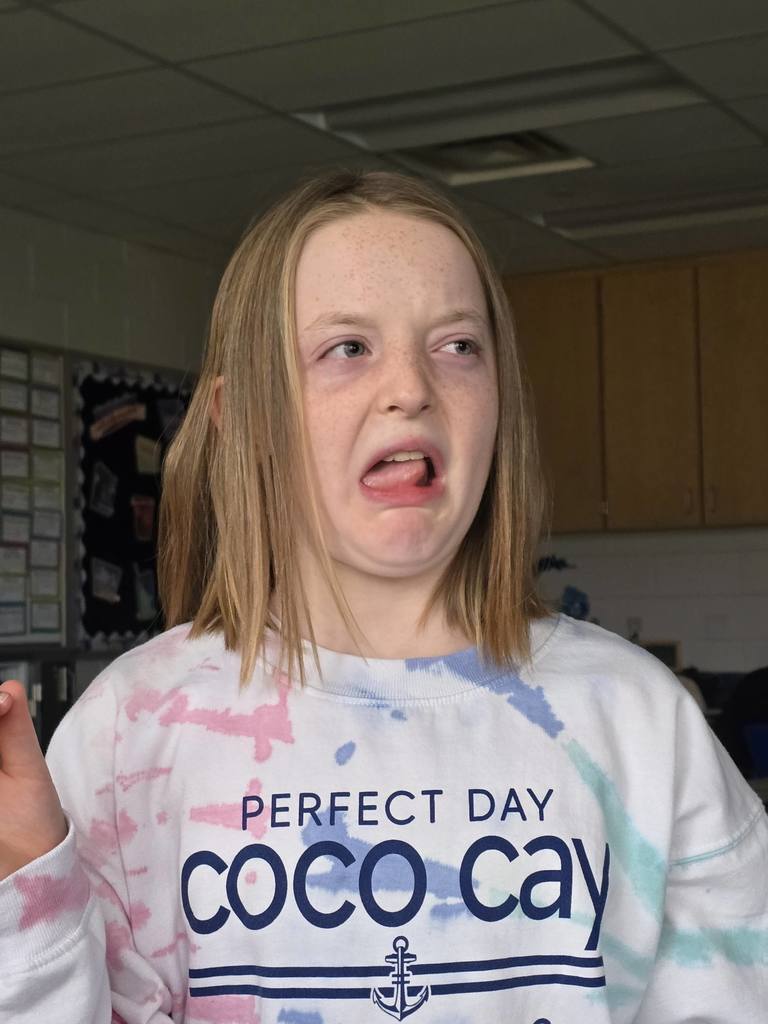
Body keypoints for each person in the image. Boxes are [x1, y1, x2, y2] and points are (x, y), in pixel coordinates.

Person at [0, 168, 766, 1024]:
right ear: (237, 416)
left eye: (458, 345)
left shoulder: (638, 720)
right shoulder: (128, 733)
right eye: (348, 348)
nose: (412, 387)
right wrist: (26, 903)